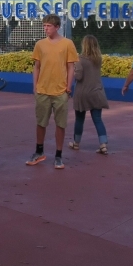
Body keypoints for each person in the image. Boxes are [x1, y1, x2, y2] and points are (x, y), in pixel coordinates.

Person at [28, 14, 79, 169]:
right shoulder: (40, 45)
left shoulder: (67, 44)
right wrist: (35, 86)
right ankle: (39, 151)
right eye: (44, 26)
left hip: (60, 91)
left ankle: (58, 155)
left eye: (49, 26)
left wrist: (68, 87)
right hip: (43, 90)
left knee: (60, 124)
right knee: (41, 122)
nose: (46, 28)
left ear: (57, 27)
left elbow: (71, 67)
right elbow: (36, 66)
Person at [71, 35, 110, 154]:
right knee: (98, 119)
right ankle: (103, 144)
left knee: (79, 119)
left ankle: (76, 143)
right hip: (97, 92)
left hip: (82, 93)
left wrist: (73, 70)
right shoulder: (98, 59)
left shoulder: (79, 59)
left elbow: (78, 76)